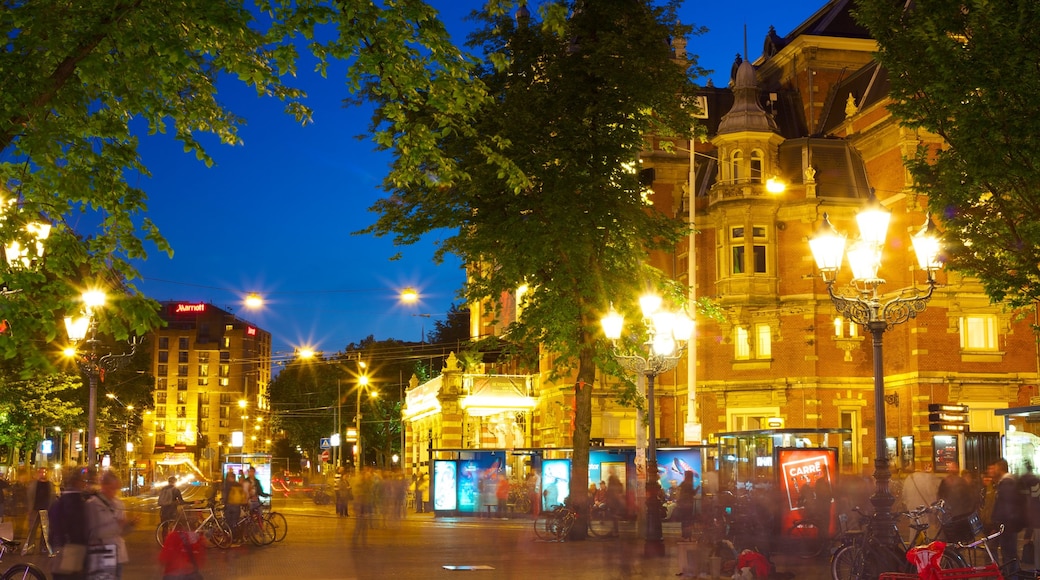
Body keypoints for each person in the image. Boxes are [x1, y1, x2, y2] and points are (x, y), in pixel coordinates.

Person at [87, 471, 138, 579]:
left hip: (118, 554)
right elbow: (92, 532)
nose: (114, 492)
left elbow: (121, 532)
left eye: (116, 489)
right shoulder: (93, 504)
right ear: (103, 486)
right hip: (102, 553)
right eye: (111, 488)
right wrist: (117, 525)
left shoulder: (119, 503)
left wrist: (130, 525)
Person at [48, 467, 90, 580]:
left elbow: (52, 522)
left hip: (60, 546)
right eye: (83, 481)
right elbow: (80, 527)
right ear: (77, 482)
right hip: (72, 548)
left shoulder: (59, 501)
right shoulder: (77, 502)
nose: (84, 484)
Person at [990, 459, 1024, 570]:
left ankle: (1012, 576)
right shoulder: (1008, 482)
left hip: (1007, 526)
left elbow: (1006, 507)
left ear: (1000, 468)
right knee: (1009, 555)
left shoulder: (1007, 483)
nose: (993, 470)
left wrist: (998, 524)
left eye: (995, 468)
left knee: (1009, 555)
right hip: (1009, 525)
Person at [23, 467, 54, 555]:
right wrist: (29, 508)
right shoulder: (33, 484)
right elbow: (29, 496)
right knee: (32, 529)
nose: (43, 474)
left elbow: (52, 497)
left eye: (44, 472)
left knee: (45, 531)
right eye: (41, 472)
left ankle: (43, 547)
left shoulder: (50, 485)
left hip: (45, 510)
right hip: (35, 510)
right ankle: (30, 547)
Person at [677, 470, 697, 542]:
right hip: (688, 505)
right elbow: (692, 493)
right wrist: (697, 488)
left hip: (683, 505)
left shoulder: (683, 484)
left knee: (684, 520)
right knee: (688, 520)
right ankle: (688, 536)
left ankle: (685, 536)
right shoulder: (689, 484)